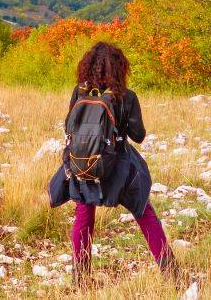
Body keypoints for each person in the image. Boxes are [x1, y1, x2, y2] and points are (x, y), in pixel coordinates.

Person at [48, 41, 174, 280]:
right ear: (119, 68)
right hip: (119, 170)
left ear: (88, 66)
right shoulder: (126, 97)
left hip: (84, 167)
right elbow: (139, 136)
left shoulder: (79, 92)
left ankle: (81, 278)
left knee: (84, 216)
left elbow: (68, 127)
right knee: (144, 212)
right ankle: (171, 273)